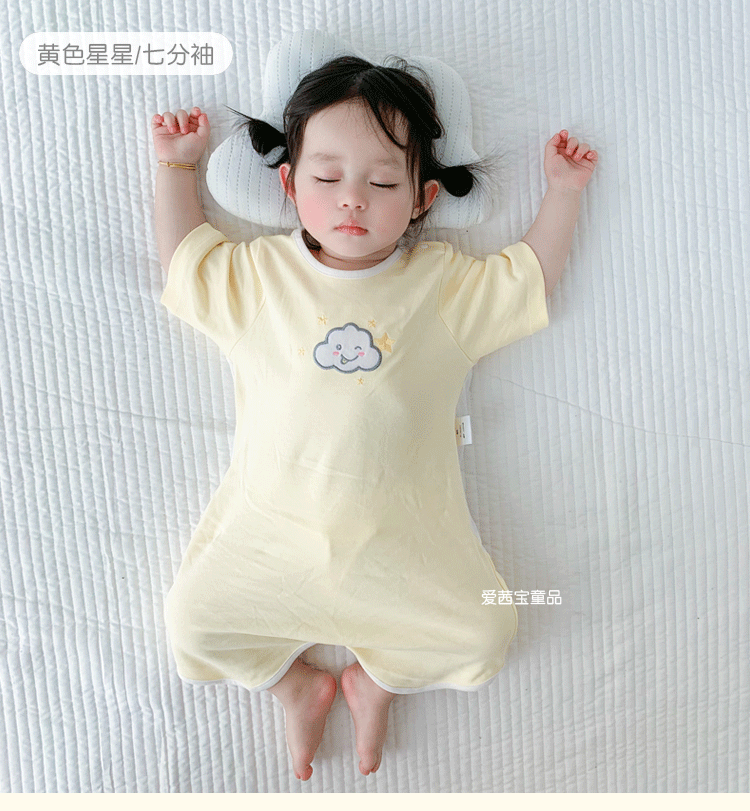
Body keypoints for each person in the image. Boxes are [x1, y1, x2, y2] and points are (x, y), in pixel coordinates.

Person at [151, 55, 597, 782]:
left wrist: (564, 193)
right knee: (191, 625)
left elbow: (529, 279)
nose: (352, 201)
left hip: (404, 553)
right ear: (290, 186)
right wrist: (177, 169)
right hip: (270, 545)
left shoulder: (441, 286)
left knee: (485, 632)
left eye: (383, 184)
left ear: (422, 199)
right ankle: (294, 685)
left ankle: (378, 679)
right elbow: (186, 265)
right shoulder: (261, 277)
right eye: (327, 179)